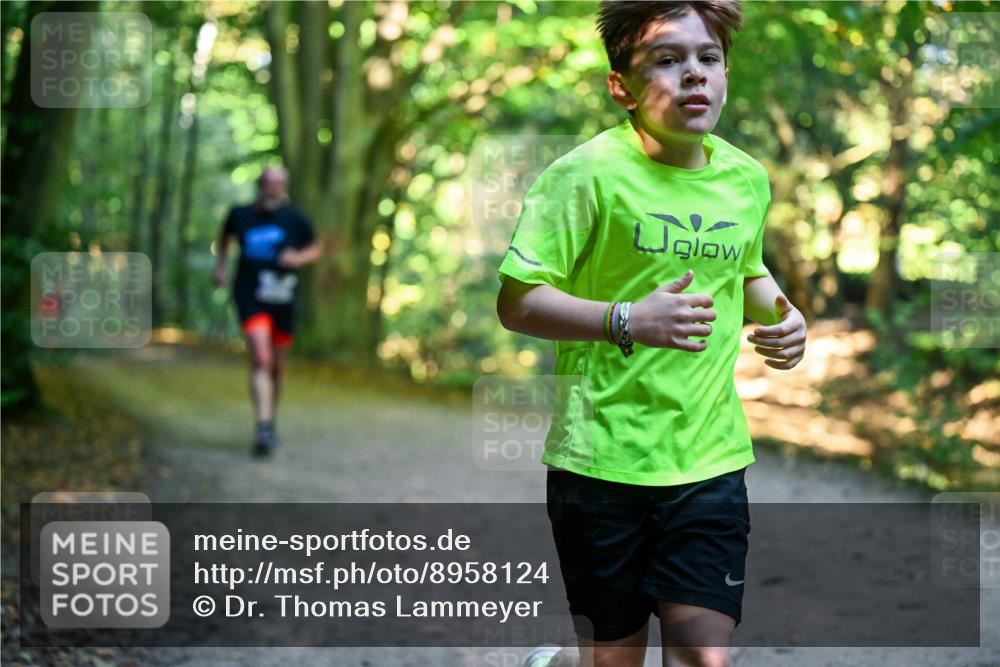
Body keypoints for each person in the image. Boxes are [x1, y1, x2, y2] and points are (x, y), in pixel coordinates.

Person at [496, 2, 807, 666]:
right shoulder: (584, 176)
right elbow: (518, 303)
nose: (693, 75)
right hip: (600, 459)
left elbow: (743, 270)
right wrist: (627, 320)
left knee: (703, 655)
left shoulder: (745, 180)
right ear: (621, 86)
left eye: (708, 58)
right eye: (667, 59)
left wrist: (784, 314)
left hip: (708, 456)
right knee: (614, 659)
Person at [213, 166, 321, 457]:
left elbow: (315, 248)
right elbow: (224, 240)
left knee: (276, 368)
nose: (275, 188)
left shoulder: (295, 218)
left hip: (284, 300)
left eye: (280, 184)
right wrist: (221, 266)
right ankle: (262, 427)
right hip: (251, 296)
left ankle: (269, 420)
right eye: (270, 183)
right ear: (260, 185)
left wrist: (297, 258)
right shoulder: (240, 215)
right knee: (261, 358)